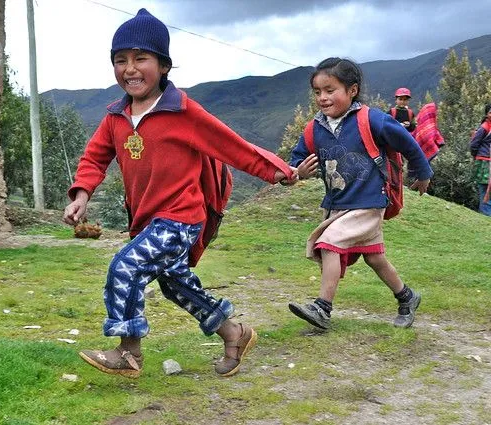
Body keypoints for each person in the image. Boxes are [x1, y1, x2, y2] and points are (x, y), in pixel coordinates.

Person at [63, 8, 298, 378]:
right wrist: (81, 195)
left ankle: (128, 352)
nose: (130, 68)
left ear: (164, 66)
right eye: (120, 60)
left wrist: (278, 170)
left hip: (181, 217)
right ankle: (234, 333)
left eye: (141, 58)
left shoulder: (182, 111)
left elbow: (230, 145)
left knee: (126, 266)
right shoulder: (116, 117)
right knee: (177, 287)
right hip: (146, 221)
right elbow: (94, 157)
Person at [287, 58, 433, 330]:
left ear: (352, 90)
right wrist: (298, 173)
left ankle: (322, 308)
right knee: (374, 257)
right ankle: (407, 296)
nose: (323, 97)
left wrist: (422, 173)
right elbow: (296, 161)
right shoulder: (314, 129)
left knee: (329, 243)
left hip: (369, 201)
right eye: (318, 92)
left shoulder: (372, 119)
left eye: (330, 90)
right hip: (339, 204)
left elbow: (408, 143)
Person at [469, 102, 491, 216]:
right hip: (484, 161)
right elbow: (474, 144)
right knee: (485, 186)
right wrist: (476, 156)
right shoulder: (484, 127)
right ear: (487, 114)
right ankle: (486, 214)